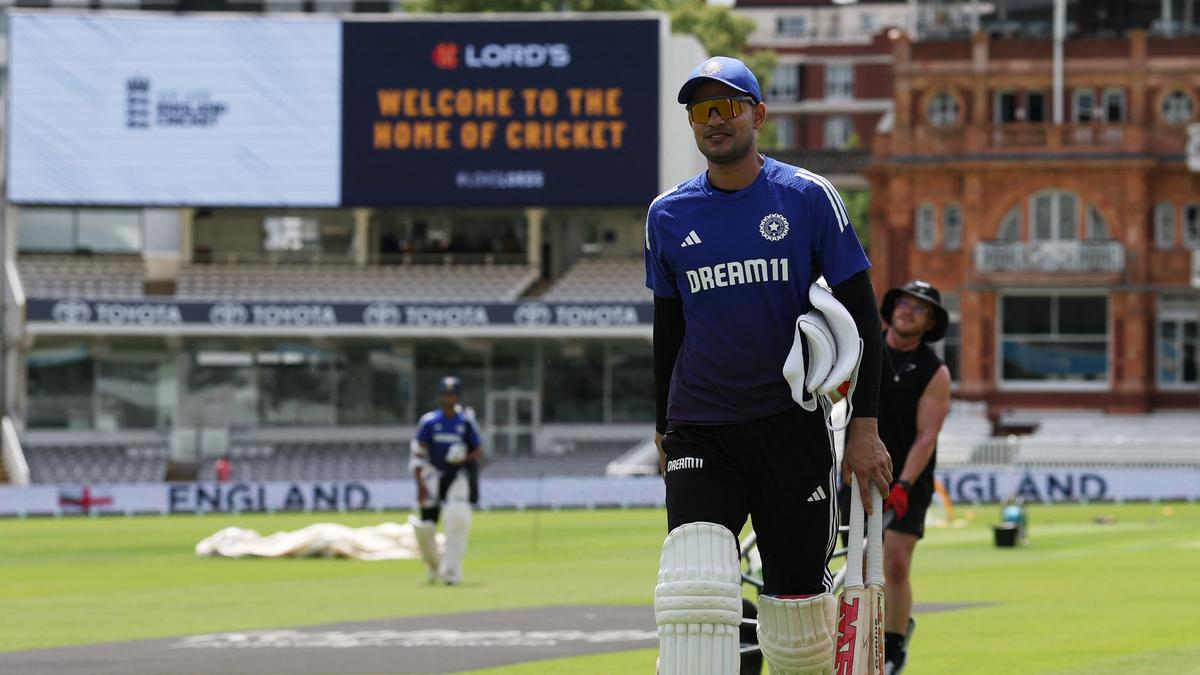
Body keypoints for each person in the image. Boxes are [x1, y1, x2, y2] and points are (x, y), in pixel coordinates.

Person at [645, 55, 893, 674]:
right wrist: (662, 426)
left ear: (758, 114)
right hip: (702, 426)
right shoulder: (667, 214)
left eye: (728, 106)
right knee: (695, 590)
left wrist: (865, 427)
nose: (714, 120)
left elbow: (864, 318)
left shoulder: (808, 197)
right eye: (701, 110)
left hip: (791, 425)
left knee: (797, 607)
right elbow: (668, 329)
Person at [839, 279, 952, 673]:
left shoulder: (935, 372)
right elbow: (836, 396)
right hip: (857, 473)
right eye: (904, 303)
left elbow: (927, 436)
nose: (908, 311)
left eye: (919, 308)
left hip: (907, 480)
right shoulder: (863, 352)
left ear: (931, 322)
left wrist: (903, 485)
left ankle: (894, 647)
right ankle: (851, 642)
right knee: (851, 564)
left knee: (897, 563)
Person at [408, 376, 483, 586]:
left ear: (457, 396)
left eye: (451, 394)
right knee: (425, 527)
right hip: (432, 475)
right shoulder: (429, 421)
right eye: (444, 394)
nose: (447, 398)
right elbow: (418, 455)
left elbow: (478, 450)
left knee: (458, 518)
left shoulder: (466, 421)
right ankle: (434, 565)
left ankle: (452, 572)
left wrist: (463, 458)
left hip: (457, 476)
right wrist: (420, 487)